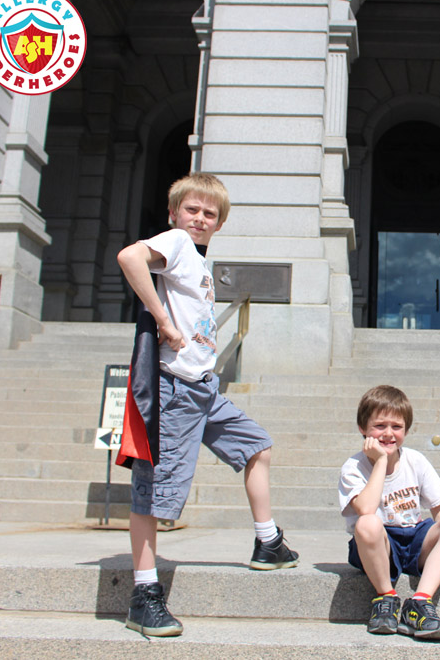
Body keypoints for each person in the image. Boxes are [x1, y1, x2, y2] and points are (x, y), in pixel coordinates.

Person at [115, 172, 298, 637]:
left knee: (256, 445)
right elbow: (129, 256)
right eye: (192, 209)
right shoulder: (175, 242)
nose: (199, 218)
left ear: (219, 223)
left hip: (203, 388)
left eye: (209, 214)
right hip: (174, 387)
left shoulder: (195, 262)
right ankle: (144, 595)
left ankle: (268, 542)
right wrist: (162, 320)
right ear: (174, 213)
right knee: (154, 493)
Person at [338, 385, 440, 640]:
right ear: (363, 429)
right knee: (367, 523)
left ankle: (419, 603)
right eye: (379, 426)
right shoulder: (353, 467)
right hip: (378, 544)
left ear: (406, 430)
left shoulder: (415, 460)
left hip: (414, 537)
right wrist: (381, 462)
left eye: (396, 427)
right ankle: (386, 597)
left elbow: (439, 510)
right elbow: (364, 509)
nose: (388, 433)